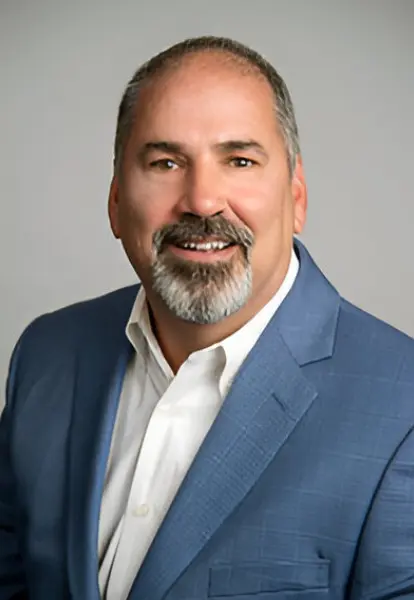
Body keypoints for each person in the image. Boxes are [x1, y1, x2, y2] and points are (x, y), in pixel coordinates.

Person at [1, 35, 414, 600]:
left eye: (239, 160)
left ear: (297, 196)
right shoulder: (48, 356)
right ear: (116, 199)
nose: (201, 200)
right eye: (165, 162)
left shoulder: (402, 409)